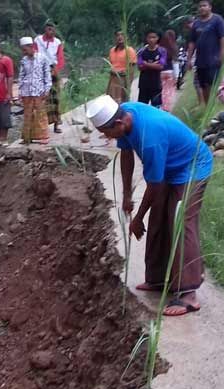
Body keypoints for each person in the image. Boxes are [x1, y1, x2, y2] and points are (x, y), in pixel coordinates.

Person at [86, 95, 213, 317]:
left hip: (192, 165)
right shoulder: (124, 114)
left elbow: (153, 186)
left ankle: (189, 293)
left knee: (180, 221)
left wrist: (137, 218)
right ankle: (158, 278)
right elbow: (126, 154)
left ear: (118, 124)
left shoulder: (149, 137)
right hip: (169, 165)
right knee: (159, 218)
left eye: (106, 133)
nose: (107, 138)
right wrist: (126, 196)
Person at [187, 0, 224, 106]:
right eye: (200, 6)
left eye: (204, 5)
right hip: (200, 61)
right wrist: (189, 59)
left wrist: (222, 55)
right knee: (203, 85)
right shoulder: (196, 23)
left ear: (210, 7)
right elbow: (192, 42)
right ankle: (206, 108)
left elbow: (223, 38)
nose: (202, 8)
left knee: (212, 85)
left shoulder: (217, 20)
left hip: (213, 60)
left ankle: (213, 108)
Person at [18, 36, 52, 145]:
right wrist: (20, 91)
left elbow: (47, 75)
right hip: (26, 91)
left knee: (40, 113)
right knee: (28, 114)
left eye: (25, 49)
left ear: (31, 47)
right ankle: (27, 137)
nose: (24, 52)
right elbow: (21, 76)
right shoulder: (24, 60)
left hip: (39, 90)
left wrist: (47, 89)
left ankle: (43, 136)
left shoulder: (42, 58)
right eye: (23, 50)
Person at [34, 22, 65, 134]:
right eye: (49, 29)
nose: (51, 32)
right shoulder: (38, 40)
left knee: (55, 98)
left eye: (53, 29)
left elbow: (60, 59)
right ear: (45, 30)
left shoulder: (57, 42)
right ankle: (43, 126)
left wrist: (55, 70)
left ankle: (56, 125)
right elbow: (35, 54)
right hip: (41, 69)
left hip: (53, 70)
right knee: (42, 98)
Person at [137, 30, 167, 107]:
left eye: (154, 37)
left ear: (157, 38)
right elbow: (140, 67)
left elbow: (160, 66)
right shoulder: (141, 51)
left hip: (156, 84)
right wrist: (153, 64)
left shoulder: (162, 51)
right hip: (143, 84)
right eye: (149, 37)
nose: (151, 39)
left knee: (156, 106)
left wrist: (145, 63)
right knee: (142, 106)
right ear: (146, 39)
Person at [107, 31, 137, 104]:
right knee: (111, 101)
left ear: (127, 37)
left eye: (122, 35)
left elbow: (131, 70)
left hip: (123, 80)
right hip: (113, 79)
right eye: (117, 35)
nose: (120, 37)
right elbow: (112, 64)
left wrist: (128, 84)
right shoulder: (112, 50)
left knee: (122, 102)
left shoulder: (129, 50)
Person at [159, 30, 180, 112]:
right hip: (170, 72)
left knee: (162, 91)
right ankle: (167, 109)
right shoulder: (173, 48)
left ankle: (161, 107)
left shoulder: (160, 48)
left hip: (160, 72)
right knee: (169, 92)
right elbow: (175, 62)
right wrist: (177, 76)